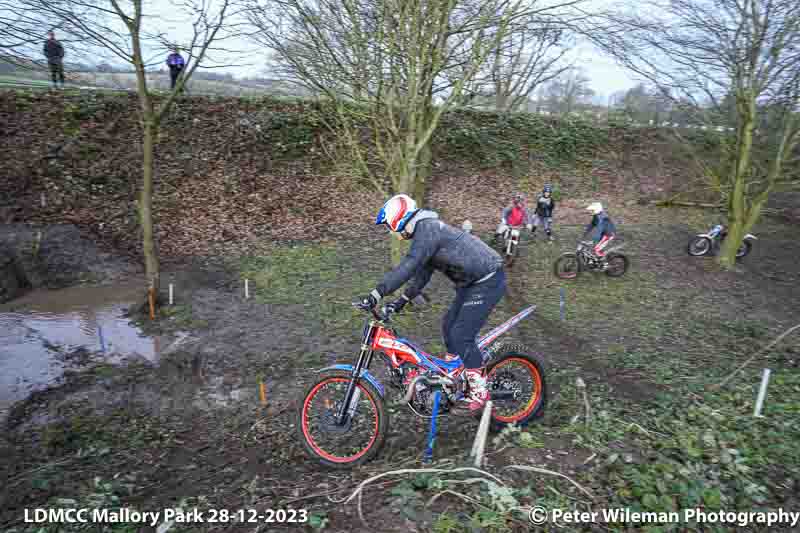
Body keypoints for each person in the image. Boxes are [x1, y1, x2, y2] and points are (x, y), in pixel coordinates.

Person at [359, 194, 506, 415]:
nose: (392, 232)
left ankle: (479, 391)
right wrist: (400, 302)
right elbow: (421, 275)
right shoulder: (425, 231)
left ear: (399, 219)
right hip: (471, 283)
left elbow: (410, 265)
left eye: (390, 226)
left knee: (461, 335)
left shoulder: (427, 229)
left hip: (488, 279)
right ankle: (455, 374)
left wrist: (377, 293)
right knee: (448, 326)